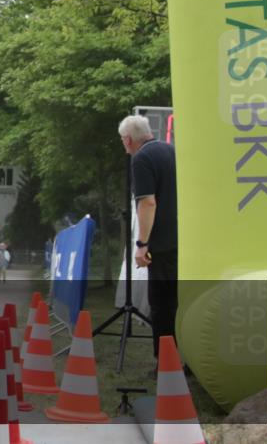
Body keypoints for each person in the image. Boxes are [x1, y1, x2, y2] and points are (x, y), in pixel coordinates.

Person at [119, 114, 178, 362]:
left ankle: (165, 364)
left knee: (160, 306)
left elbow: (147, 202)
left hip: (162, 245)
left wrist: (142, 244)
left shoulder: (142, 159)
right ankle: (184, 361)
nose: (124, 146)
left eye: (123, 141)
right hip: (182, 240)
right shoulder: (171, 150)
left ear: (129, 139)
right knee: (178, 304)